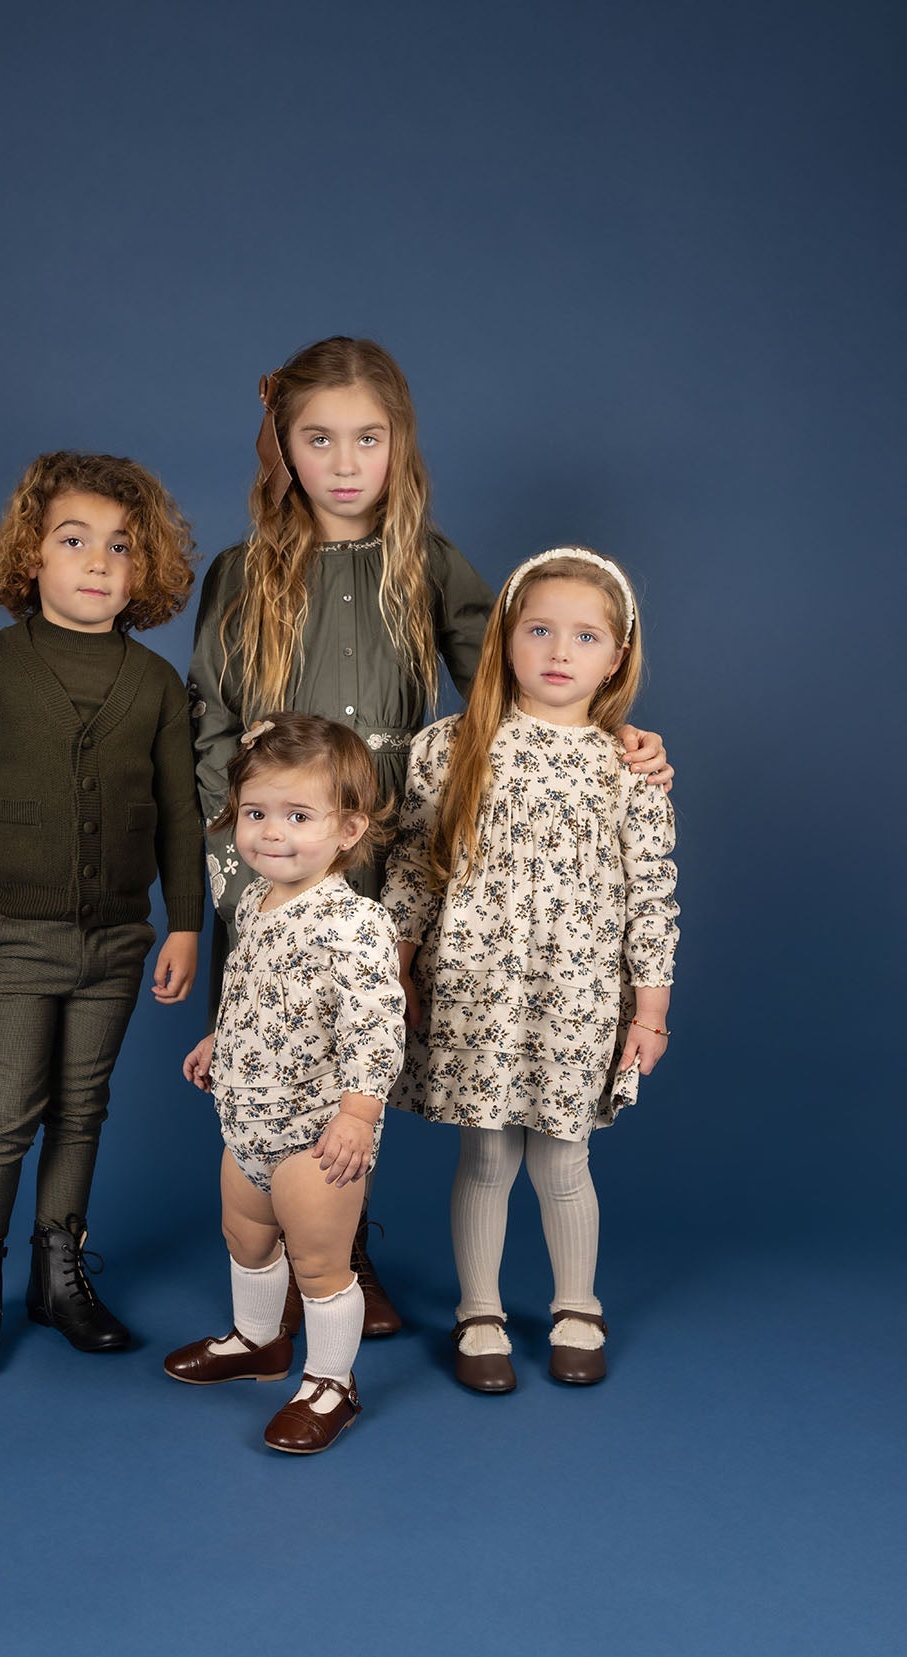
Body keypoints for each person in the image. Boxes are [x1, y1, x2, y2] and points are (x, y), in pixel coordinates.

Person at [187, 336, 671, 1336]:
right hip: (270, 860)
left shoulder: (428, 563)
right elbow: (213, 727)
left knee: (355, 1059)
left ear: (399, 444)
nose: (346, 462)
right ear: (283, 446)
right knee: (272, 1057)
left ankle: (341, 1259)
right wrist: (239, 873)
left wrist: (616, 733)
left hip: (379, 862)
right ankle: (266, 1276)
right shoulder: (242, 571)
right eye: (320, 439)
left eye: (368, 438)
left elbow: (522, 678)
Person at [0, 451, 203, 1373]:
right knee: (6, 1113)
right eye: (75, 541)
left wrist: (186, 921)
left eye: (121, 546)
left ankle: (59, 1273)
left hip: (119, 942)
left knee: (82, 1109)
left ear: (145, 568)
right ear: (31, 554)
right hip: (20, 942)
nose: (98, 562)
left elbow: (182, 813)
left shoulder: (154, 683)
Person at [382, 547, 678, 1391]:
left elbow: (653, 895)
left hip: (575, 993)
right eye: (539, 630)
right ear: (506, 637)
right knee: (486, 1157)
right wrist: (400, 969)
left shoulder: (628, 765)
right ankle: (479, 1310)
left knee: (562, 1158)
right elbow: (413, 868)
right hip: (476, 988)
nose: (559, 651)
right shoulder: (451, 747)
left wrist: (650, 1012)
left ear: (616, 656)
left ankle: (577, 1305)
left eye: (585, 636)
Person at [166, 714, 405, 1454]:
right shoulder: (253, 901)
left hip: (316, 1132)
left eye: (298, 816)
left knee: (321, 1263)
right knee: (245, 1235)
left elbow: (376, 1025)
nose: (272, 832)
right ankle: (258, 1340)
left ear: (347, 829)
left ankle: (333, 1382)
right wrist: (220, 1037)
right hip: (247, 1118)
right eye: (256, 813)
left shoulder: (355, 923)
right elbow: (251, 987)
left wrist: (358, 1115)